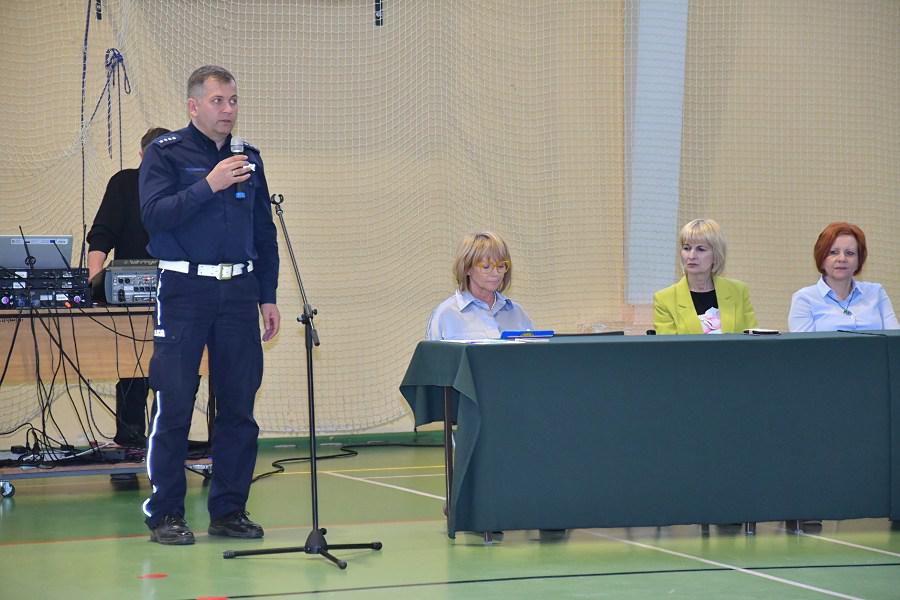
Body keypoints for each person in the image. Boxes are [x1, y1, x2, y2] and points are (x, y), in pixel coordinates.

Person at [139, 65, 280, 545]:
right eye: (218, 101)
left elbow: (263, 233)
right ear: (193, 105)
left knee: (238, 405)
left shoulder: (249, 158)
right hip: (184, 290)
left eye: (233, 100)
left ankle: (229, 511)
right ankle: (165, 513)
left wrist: (267, 295)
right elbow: (154, 215)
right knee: (175, 402)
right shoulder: (165, 153)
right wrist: (210, 184)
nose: (228, 110)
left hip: (239, 292)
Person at [87, 127, 171, 451]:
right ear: (142, 155)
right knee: (133, 371)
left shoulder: (183, 191)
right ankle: (130, 442)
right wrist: (96, 284)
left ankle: (166, 441)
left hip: (176, 296)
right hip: (130, 302)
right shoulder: (124, 183)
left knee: (178, 374)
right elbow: (102, 235)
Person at [788, 222, 898, 332]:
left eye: (850, 253)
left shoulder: (876, 292)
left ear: (859, 261)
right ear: (821, 258)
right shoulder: (804, 299)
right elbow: (805, 343)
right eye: (833, 252)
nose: (842, 259)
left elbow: (895, 338)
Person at [653, 219, 757, 335]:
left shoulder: (738, 291)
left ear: (716, 254)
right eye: (687, 248)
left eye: (701, 249)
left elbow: (751, 339)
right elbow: (669, 344)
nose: (691, 256)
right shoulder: (664, 299)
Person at [426, 231, 533, 340]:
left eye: (501, 266)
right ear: (467, 268)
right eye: (486, 267)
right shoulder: (445, 315)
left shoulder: (517, 313)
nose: (496, 273)